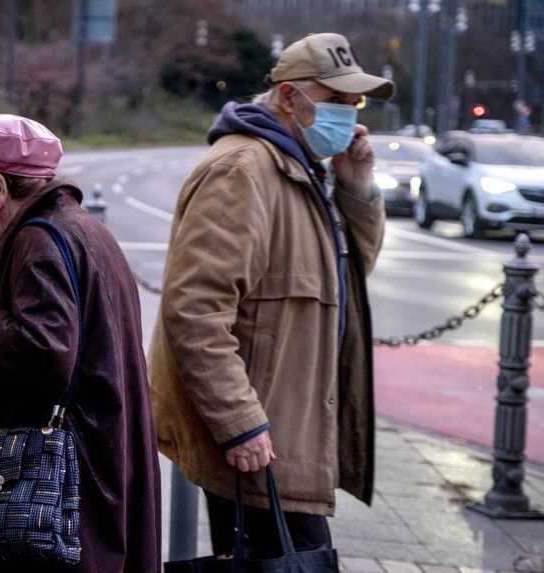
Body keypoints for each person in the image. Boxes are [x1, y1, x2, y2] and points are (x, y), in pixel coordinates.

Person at [148, 33, 394, 557]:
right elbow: (194, 310)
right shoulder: (243, 172)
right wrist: (240, 425)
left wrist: (357, 188)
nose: (350, 116)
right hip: (260, 442)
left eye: (356, 104)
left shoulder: (300, 169)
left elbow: (344, 280)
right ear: (288, 97)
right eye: (337, 102)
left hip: (288, 434)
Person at [0, 114, 161, 572]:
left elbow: (44, 357)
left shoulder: (38, 241)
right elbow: (77, 348)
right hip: (100, 458)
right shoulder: (81, 228)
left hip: (63, 483)